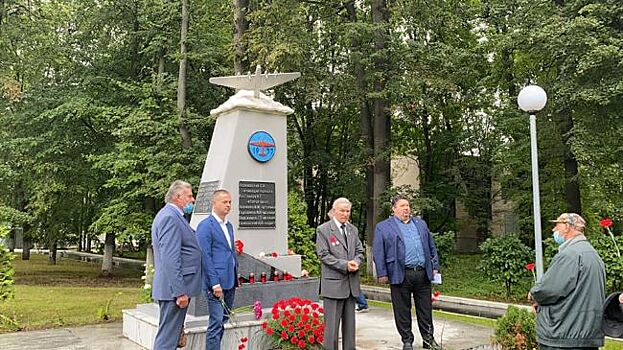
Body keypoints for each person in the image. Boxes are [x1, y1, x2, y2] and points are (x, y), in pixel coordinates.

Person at [528, 213, 606, 350]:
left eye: (557, 225)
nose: (553, 230)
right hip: (587, 335)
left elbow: (550, 289)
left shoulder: (569, 255)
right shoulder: (593, 254)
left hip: (564, 334)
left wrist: (534, 295)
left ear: (567, 227)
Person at [373, 194, 440, 350]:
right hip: (399, 273)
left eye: (408, 206)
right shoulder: (384, 227)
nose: (406, 209)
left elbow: (431, 246)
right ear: (394, 209)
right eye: (402, 206)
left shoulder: (420, 224)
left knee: (425, 309)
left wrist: (435, 265)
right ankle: (407, 340)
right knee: (402, 309)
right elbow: (378, 251)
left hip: (422, 273)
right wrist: (382, 273)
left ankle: (428, 339)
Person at [151, 180, 202, 350]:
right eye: (189, 196)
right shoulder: (170, 218)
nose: (192, 200)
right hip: (173, 291)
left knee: (171, 339)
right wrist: (180, 292)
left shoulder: (173, 216)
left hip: (173, 289)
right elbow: (170, 259)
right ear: (178, 196)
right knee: (167, 340)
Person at [316, 197, 364, 350]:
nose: (345, 214)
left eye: (348, 211)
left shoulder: (352, 230)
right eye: (342, 211)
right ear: (334, 211)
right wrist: (345, 265)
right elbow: (323, 255)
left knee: (350, 328)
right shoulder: (323, 230)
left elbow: (360, 251)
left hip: (351, 286)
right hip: (333, 285)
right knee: (331, 330)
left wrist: (356, 261)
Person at [196, 189, 238, 350]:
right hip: (216, 284)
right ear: (214, 204)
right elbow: (205, 257)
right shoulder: (205, 226)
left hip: (230, 280)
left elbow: (229, 252)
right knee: (216, 322)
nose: (228, 205)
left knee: (223, 320)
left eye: (230, 202)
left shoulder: (229, 226)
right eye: (224, 202)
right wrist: (214, 284)